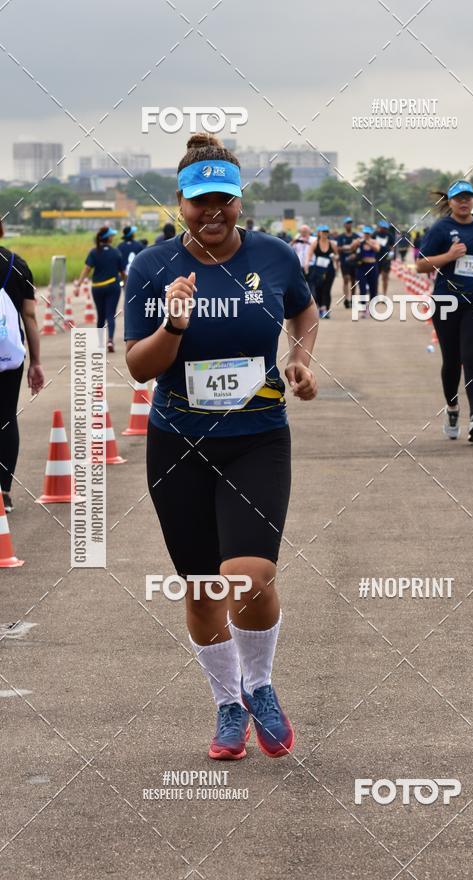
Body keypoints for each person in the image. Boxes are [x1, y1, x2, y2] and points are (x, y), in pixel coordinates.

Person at [124, 132, 318, 761]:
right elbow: (139, 367)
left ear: (240, 201)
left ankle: (259, 685)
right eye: (200, 201)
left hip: (257, 438)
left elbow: (305, 311)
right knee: (204, 587)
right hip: (178, 442)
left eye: (224, 200)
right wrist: (174, 323)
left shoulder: (275, 257)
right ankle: (228, 703)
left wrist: (301, 359)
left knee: (250, 577)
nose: (213, 212)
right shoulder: (151, 268)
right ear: (179, 203)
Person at [417, 180, 473, 442]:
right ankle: (453, 407)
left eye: (468, 197)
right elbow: (421, 265)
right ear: (451, 202)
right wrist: (449, 256)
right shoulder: (441, 228)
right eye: (459, 198)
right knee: (452, 360)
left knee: (472, 359)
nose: (464, 202)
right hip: (447, 301)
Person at [0, 222, 45, 513]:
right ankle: (3, 492)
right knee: (6, 418)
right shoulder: (17, 264)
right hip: (9, 356)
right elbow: (29, 316)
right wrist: (36, 362)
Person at [74, 227, 126, 353]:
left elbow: (86, 269)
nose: (113, 237)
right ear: (108, 238)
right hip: (112, 286)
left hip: (97, 288)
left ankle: (100, 343)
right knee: (110, 315)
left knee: (100, 316)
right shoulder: (116, 252)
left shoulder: (94, 252)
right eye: (112, 235)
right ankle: (110, 340)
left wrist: (78, 284)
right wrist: (126, 283)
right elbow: (122, 272)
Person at [305, 225, 338, 319]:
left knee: (327, 289)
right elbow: (309, 255)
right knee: (318, 289)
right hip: (318, 270)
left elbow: (337, 255)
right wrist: (306, 264)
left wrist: (335, 258)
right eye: (323, 232)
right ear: (319, 233)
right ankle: (320, 308)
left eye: (326, 232)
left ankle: (325, 309)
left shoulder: (332, 244)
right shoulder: (315, 243)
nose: (325, 234)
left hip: (329, 270)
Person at [336, 216, 359, 308]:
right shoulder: (341, 237)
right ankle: (346, 299)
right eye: (347, 223)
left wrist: (353, 251)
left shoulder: (356, 236)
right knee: (346, 279)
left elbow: (358, 248)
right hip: (344, 262)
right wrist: (349, 248)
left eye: (350, 223)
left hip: (354, 262)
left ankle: (353, 299)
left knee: (353, 281)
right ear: (344, 225)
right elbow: (338, 248)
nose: (349, 225)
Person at [374, 220, 395, 296]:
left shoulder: (389, 235)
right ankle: (375, 293)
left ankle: (384, 294)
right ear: (380, 227)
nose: (385, 229)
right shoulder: (375, 234)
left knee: (385, 277)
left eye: (386, 228)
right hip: (376, 259)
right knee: (375, 277)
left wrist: (390, 257)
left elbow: (392, 247)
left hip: (386, 259)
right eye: (383, 228)